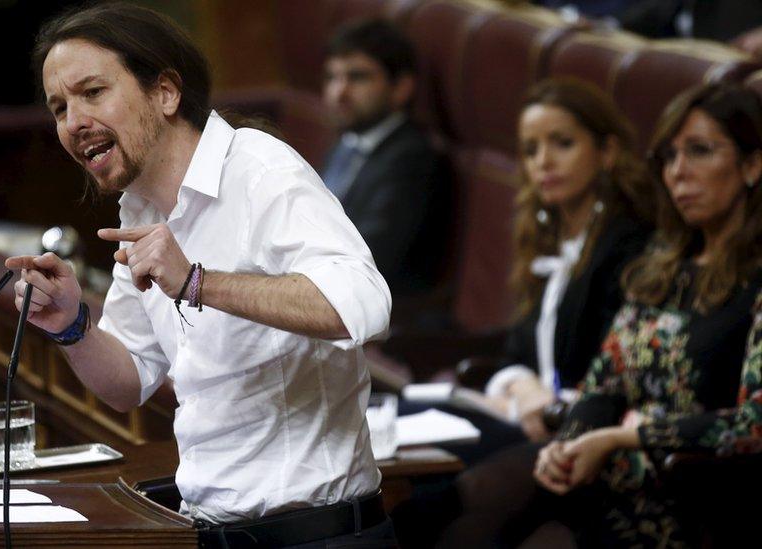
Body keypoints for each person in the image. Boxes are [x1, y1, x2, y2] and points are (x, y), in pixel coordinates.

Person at [5, 3, 396, 547]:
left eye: (92, 93)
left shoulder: (261, 170)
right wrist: (72, 325)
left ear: (166, 92)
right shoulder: (139, 210)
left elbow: (363, 306)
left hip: (315, 535)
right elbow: (130, 380)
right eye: (58, 107)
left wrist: (197, 282)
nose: (73, 123)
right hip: (207, 531)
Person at [443, 82, 762, 548]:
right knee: (467, 509)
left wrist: (622, 440)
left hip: (698, 490)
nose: (679, 173)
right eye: (669, 158)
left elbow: (754, 424)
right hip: (613, 470)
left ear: (752, 164)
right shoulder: (662, 266)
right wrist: (570, 441)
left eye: (699, 152)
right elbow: (603, 386)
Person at [392, 76, 653, 548]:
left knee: (446, 504)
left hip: (577, 431)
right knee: (406, 415)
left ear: (608, 151)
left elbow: (618, 374)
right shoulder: (549, 239)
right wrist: (520, 384)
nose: (543, 162)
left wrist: (547, 404)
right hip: (526, 415)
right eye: (531, 150)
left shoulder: (627, 244)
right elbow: (515, 349)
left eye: (563, 143)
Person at [321, 18, 452, 301]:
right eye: (332, 77)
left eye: (357, 77)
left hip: (378, 313)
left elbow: (370, 256)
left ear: (401, 88)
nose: (339, 93)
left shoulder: (411, 159)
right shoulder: (347, 142)